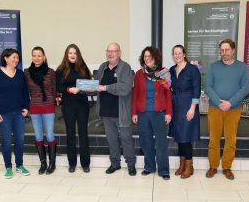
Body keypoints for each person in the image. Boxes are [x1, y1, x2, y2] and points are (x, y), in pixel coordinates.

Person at [205, 39, 249, 180]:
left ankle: (227, 167)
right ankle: (213, 166)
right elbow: (208, 87)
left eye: (227, 50)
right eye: (222, 50)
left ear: (233, 50)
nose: (224, 53)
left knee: (231, 139)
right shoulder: (213, 67)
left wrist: (230, 103)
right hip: (215, 108)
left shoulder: (242, 67)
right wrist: (220, 103)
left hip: (233, 108)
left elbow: (245, 89)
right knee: (214, 139)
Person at [0, 48, 30, 179]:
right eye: (13, 57)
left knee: (20, 140)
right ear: (5, 58)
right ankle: (8, 167)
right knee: (6, 141)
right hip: (3, 114)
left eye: (17, 58)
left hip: (19, 113)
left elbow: (25, 92)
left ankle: (19, 165)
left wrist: (26, 107)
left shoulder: (20, 74)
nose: (16, 60)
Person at [95, 42, 136, 176]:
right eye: (108, 51)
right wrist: (86, 87)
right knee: (111, 140)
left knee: (126, 139)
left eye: (113, 51)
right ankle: (115, 163)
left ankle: (130, 164)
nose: (110, 53)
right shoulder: (102, 67)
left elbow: (125, 88)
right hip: (106, 112)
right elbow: (96, 84)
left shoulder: (125, 67)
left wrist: (105, 87)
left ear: (119, 53)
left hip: (121, 112)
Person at [132, 46, 172, 180]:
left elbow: (168, 94)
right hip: (143, 113)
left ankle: (164, 170)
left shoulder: (163, 73)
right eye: (145, 57)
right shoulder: (139, 74)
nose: (147, 59)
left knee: (161, 143)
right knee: (146, 142)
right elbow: (135, 94)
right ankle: (149, 167)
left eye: (149, 56)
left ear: (155, 57)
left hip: (159, 113)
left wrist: (168, 113)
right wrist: (134, 113)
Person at [56, 44, 91, 173]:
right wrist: (68, 89)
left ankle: (85, 163)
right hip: (68, 105)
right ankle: (72, 163)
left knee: (83, 133)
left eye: (75, 53)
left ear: (78, 55)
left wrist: (85, 88)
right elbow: (57, 87)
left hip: (82, 104)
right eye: (70, 53)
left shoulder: (83, 68)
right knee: (70, 133)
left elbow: (89, 84)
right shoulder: (61, 70)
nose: (72, 55)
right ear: (66, 54)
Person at [169, 45, 201, 179]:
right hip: (175, 105)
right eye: (175, 53)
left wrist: (192, 108)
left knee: (185, 137)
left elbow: (197, 89)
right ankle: (182, 165)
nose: (177, 55)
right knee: (179, 136)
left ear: (184, 54)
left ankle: (189, 166)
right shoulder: (171, 69)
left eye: (179, 53)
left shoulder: (192, 69)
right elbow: (169, 86)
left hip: (188, 105)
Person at [25, 46, 57, 175]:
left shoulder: (50, 72)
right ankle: (43, 163)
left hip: (48, 106)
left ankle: (52, 163)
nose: (37, 58)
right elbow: (25, 91)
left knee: (49, 135)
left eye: (39, 55)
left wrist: (54, 100)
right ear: (32, 57)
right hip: (35, 107)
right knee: (38, 135)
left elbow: (53, 90)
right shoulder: (26, 73)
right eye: (34, 55)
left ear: (44, 57)